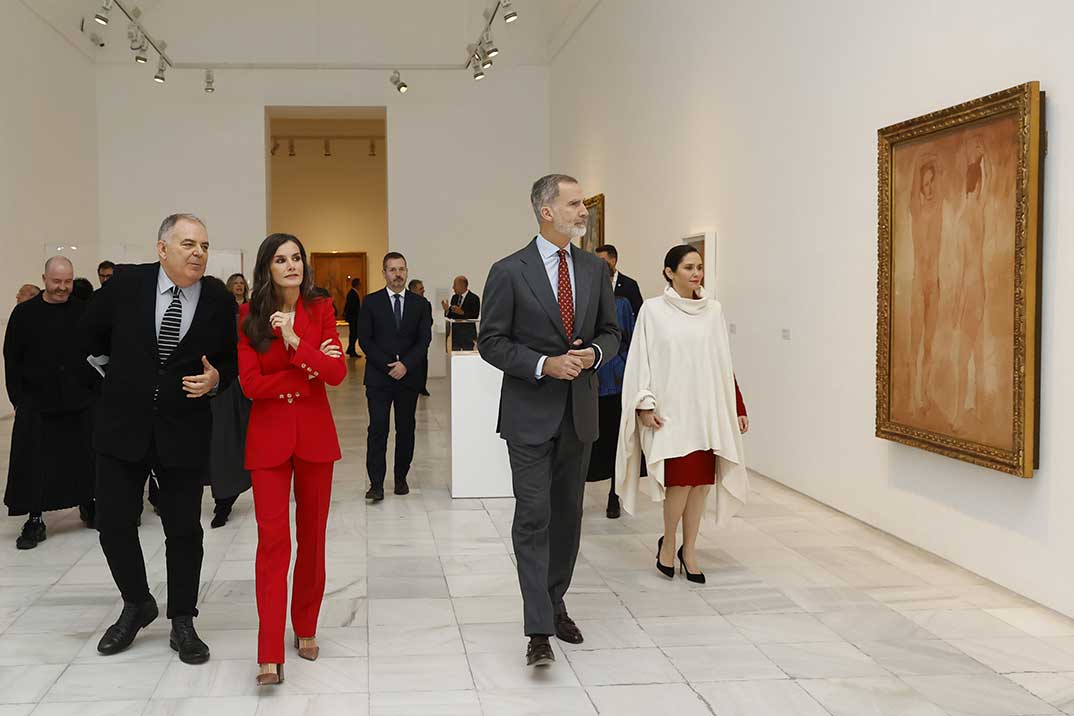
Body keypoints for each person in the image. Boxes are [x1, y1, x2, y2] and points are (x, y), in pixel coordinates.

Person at [82, 213, 238, 665]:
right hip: (121, 426)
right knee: (113, 523)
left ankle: (183, 621)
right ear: (162, 248)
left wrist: (215, 379)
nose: (198, 253)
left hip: (182, 429)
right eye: (189, 244)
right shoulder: (127, 285)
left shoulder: (215, 298)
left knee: (184, 530)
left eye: (205, 246)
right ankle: (136, 603)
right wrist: (114, 379)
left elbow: (229, 359)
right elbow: (89, 335)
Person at [478, 174, 620, 668]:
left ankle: (555, 598)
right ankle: (537, 628)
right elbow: (490, 341)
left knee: (568, 517)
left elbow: (611, 331)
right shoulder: (508, 271)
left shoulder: (592, 269)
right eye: (575, 204)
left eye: (583, 204)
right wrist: (545, 364)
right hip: (529, 416)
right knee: (533, 516)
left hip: (578, 415)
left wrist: (595, 354)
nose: (584, 212)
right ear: (547, 211)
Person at [238, 233, 346, 686]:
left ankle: (305, 627)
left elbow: (337, 373)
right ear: (267, 267)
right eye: (281, 259)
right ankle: (268, 651)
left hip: (316, 440)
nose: (291, 265)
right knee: (272, 543)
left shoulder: (321, 309)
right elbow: (248, 383)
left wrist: (293, 337)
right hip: (267, 442)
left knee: (313, 539)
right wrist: (303, 372)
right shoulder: (247, 315)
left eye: (297, 258)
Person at [615, 245, 749, 585]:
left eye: (699, 267)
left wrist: (738, 406)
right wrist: (644, 404)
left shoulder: (713, 311)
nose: (696, 273)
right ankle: (668, 541)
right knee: (679, 482)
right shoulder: (653, 311)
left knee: (701, 485)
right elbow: (641, 359)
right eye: (688, 267)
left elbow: (722, 362)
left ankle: (690, 551)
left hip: (707, 410)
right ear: (669, 272)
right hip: (672, 412)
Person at [4, 257, 97, 548]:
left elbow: (97, 354)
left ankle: (88, 505)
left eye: (68, 281)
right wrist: (18, 399)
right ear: (44, 278)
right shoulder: (24, 314)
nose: (62, 288)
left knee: (84, 459)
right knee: (34, 464)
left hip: (78, 401)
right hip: (37, 402)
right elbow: (12, 359)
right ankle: (35, 519)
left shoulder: (84, 312)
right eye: (57, 282)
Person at [358, 253, 432, 502]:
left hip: (408, 378)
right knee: (378, 429)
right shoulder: (370, 302)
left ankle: (401, 478)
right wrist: (389, 366)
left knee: (406, 429)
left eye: (401, 269)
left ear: (407, 271)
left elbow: (424, 341)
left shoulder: (421, 305)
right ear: (384, 273)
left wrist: (406, 365)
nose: (397, 274)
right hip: (379, 378)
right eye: (392, 270)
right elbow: (365, 340)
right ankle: (376, 484)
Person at [205, 275, 250, 529]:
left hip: (228, 391)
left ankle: (223, 502)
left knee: (225, 448)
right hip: (200, 392)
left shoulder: (237, 321)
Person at [585, 295, 635, 519]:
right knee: (583, 443)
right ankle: (575, 497)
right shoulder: (579, 301)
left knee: (615, 441)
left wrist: (621, 364)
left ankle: (614, 495)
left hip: (615, 383)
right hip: (585, 381)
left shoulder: (620, 304)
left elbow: (631, 340)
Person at [595, 245, 643, 317]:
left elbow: (638, 314)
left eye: (602, 260)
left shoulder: (629, 285)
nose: (597, 264)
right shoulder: (592, 284)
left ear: (613, 261)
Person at [441, 275, 480, 351]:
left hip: (468, 336)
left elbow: (475, 316)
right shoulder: (454, 298)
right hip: (455, 336)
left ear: (462, 285)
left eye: (455, 285)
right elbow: (451, 316)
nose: (453, 287)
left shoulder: (474, 298)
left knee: (467, 359)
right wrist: (447, 310)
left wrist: (462, 312)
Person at [408, 279, 432, 396]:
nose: (423, 290)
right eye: (421, 288)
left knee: (423, 364)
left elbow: (429, 321)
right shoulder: (405, 302)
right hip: (409, 341)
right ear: (413, 290)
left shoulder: (426, 303)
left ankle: (422, 387)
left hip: (421, 341)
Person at [343, 278, 362, 358]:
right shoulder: (352, 293)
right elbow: (352, 307)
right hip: (353, 318)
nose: (360, 285)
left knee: (354, 334)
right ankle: (352, 350)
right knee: (354, 334)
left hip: (353, 318)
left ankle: (350, 349)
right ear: (357, 284)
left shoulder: (353, 293)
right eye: (359, 284)